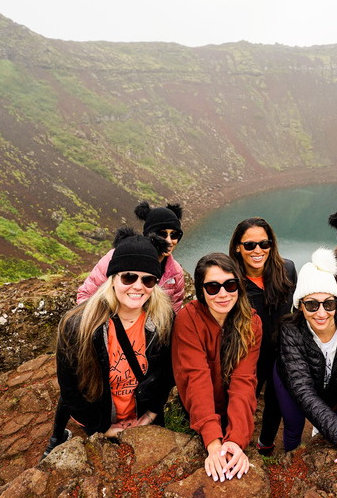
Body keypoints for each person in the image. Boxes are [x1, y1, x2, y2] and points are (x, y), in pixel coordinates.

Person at [43, 229, 175, 458]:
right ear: (113, 278)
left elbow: (167, 372)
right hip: (102, 424)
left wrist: (152, 414)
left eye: (148, 279)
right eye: (128, 277)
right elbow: (71, 388)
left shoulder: (164, 319)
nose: (138, 286)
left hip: (146, 420)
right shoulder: (78, 326)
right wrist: (102, 428)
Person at [275, 248, 337, 481]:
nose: (321, 312)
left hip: (333, 384)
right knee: (293, 425)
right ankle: (293, 468)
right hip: (290, 382)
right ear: (300, 305)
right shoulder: (290, 331)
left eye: (328, 304)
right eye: (312, 305)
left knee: (329, 420)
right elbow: (302, 390)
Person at [172, 253, 262, 482]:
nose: (223, 294)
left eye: (230, 285)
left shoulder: (251, 322)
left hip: (232, 409)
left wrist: (236, 439)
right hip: (199, 409)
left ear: (239, 287)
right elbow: (196, 379)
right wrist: (214, 443)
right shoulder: (188, 319)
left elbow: (244, 381)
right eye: (213, 287)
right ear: (201, 291)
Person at [228, 217, 297, 456]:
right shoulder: (231, 282)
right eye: (249, 245)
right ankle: (235, 445)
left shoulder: (286, 269)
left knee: (276, 400)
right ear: (238, 246)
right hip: (248, 355)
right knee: (245, 401)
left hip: (281, 351)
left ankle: (266, 443)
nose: (258, 250)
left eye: (264, 244)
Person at [78, 201, 185, 313]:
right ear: (149, 234)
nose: (169, 240)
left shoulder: (176, 273)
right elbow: (85, 296)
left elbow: (173, 312)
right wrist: (104, 326)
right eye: (162, 234)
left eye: (174, 234)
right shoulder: (117, 257)